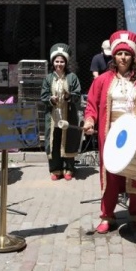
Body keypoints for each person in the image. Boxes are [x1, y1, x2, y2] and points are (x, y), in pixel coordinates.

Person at [83, 30, 136, 233]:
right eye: (119, 54)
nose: (123, 58)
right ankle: (107, 216)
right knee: (110, 177)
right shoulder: (101, 81)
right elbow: (91, 104)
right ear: (113, 56)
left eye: (127, 54)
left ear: (133, 56)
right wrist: (90, 120)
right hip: (110, 135)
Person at [41, 43, 82, 181]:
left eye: (62, 61)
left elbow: (77, 94)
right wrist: (50, 99)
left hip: (68, 114)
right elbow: (43, 95)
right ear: (53, 62)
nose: (59, 64)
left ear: (66, 62)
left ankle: (69, 168)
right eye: (57, 61)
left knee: (68, 140)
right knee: (54, 140)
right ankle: (55, 169)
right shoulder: (48, 78)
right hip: (53, 116)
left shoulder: (72, 77)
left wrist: (68, 96)